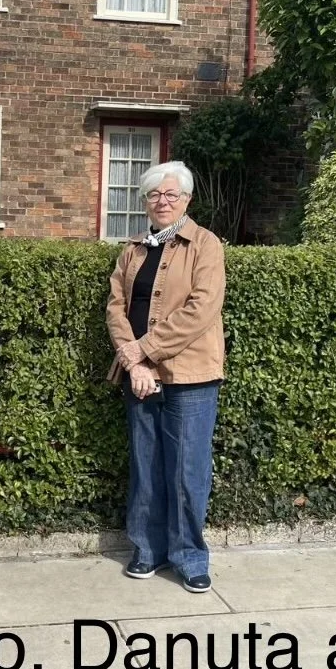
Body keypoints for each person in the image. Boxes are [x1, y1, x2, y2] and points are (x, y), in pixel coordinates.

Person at [106, 161, 225, 594]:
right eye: (154, 194)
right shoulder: (133, 249)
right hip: (138, 374)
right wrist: (134, 362)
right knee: (146, 465)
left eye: (171, 194)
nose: (162, 201)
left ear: (186, 200)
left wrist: (145, 350)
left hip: (190, 375)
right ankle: (147, 549)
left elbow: (201, 309)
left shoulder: (205, 245)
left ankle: (189, 557)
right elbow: (116, 308)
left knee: (187, 471)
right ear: (145, 201)